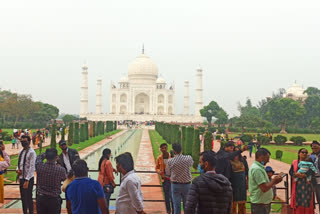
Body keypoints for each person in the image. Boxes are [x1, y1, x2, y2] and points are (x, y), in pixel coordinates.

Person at [249, 148, 283, 214]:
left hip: (262, 203)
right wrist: (274, 181)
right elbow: (264, 188)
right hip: (260, 204)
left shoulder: (259, 167)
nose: (268, 161)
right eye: (267, 158)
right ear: (261, 157)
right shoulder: (257, 169)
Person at [36, 148, 67, 214]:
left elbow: (38, 158)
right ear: (56, 157)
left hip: (41, 198)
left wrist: (44, 154)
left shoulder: (39, 167)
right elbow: (64, 178)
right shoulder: (60, 170)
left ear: (46, 156)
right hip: (54, 199)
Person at [165, 143, 193, 214]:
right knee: (187, 205)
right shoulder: (188, 158)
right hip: (187, 185)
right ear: (182, 149)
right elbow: (191, 164)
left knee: (176, 205)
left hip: (175, 185)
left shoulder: (170, 161)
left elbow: (167, 173)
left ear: (174, 151)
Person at [290, 148, 315, 214]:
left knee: (308, 201)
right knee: (298, 201)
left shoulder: (310, 162)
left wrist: (305, 175)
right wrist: (295, 174)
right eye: (302, 152)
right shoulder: (295, 162)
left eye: (306, 153)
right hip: (298, 185)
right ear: (299, 153)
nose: (304, 154)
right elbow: (291, 171)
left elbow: (313, 171)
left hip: (307, 184)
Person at [16, 135, 36, 214]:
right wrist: (17, 170)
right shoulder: (21, 151)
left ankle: (30, 212)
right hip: (21, 177)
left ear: (29, 142)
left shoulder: (32, 152)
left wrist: (27, 180)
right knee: (23, 198)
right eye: (22, 141)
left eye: (25, 141)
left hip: (28, 179)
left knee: (29, 198)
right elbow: (20, 163)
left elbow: (32, 167)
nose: (23, 143)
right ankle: (25, 212)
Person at [230, 147, 248, 214]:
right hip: (233, 184)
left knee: (242, 204)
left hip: (242, 183)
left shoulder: (243, 160)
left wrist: (247, 182)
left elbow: (247, 172)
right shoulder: (229, 161)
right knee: (233, 204)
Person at [155, 143, 173, 214]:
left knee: (172, 196)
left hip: (172, 179)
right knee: (166, 196)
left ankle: (174, 210)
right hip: (164, 179)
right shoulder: (159, 158)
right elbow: (156, 168)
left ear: (167, 148)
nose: (164, 149)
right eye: (162, 148)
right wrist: (160, 172)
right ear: (160, 149)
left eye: (165, 148)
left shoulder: (171, 157)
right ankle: (168, 211)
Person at [311, 140, 320, 213]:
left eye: (316, 147)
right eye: (313, 148)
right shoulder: (314, 157)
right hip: (316, 181)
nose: (315, 149)